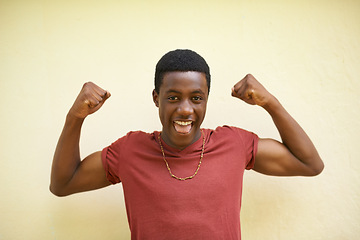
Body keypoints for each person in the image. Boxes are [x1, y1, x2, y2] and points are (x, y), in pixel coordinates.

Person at [50, 49, 324, 240]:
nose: (185, 109)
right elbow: (63, 184)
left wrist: (270, 102)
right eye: (173, 98)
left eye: (196, 98)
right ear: (156, 98)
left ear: (206, 99)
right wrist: (75, 117)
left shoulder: (234, 143)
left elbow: (309, 163)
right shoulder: (129, 151)